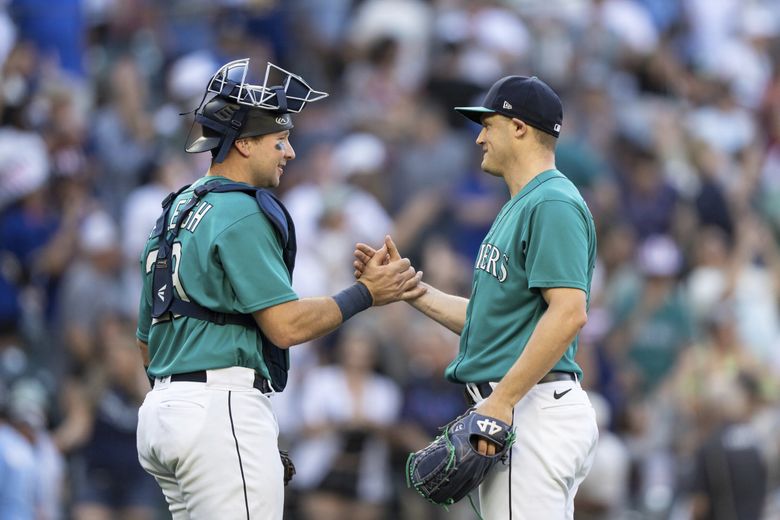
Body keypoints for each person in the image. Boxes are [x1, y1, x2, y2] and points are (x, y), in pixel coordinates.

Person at [134, 58, 424, 520]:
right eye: (280, 140)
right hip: (218, 408)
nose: (289, 153)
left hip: (163, 413)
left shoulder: (177, 208)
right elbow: (285, 327)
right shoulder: (242, 210)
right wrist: (365, 293)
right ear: (244, 144)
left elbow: (146, 343)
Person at [355, 75, 599, 519]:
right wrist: (411, 289)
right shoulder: (523, 203)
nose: (480, 136)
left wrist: (501, 401)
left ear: (520, 128)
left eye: (489, 124)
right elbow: (491, 319)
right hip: (523, 403)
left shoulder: (552, 203)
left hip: (532, 405)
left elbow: (569, 313)